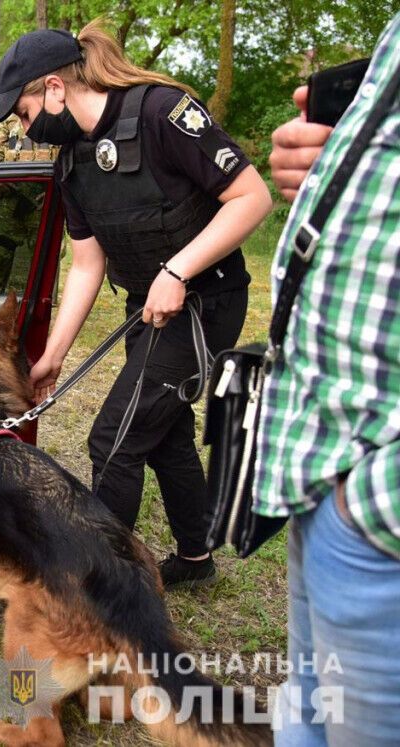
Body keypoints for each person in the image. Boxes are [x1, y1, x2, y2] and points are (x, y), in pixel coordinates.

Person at [0, 21, 273, 588]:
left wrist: (177, 269)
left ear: (55, 89)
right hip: (151, 307)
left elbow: (252, 196)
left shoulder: (164, 112)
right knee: (162, 431)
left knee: (114, 438)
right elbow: (88, 266)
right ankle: (195, 559)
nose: (27, 128)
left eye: (22, 112)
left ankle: (99, 589)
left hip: (206, 303)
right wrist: (54, 357)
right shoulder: (71, 162)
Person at [254, 12, 400, 744]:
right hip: (325, 464)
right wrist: (338, 175)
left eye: (21, 109)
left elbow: (239, 202)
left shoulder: (157, 120)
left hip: (377, 514)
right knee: (306, 718)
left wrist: (368, 510)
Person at [0, 114, 59, 294]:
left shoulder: (58, 113)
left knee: (43, 266)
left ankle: (34, 312)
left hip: (46, 203)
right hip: (10, 199)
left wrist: (57, 190)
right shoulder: (10, 117)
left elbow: (71, 157)